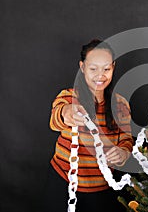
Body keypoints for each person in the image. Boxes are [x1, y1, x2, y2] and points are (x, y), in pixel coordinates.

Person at [43, 39, 133, 212]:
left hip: (102, 190)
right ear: (82, 67)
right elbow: (55, 119)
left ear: (113, 67)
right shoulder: (69, 96)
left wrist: (123, 153)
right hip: (63, 183)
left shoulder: (121, 105)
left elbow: (126, 139)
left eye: (106, 69)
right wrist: (66, 113)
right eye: (93, 69)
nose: (100, 75)